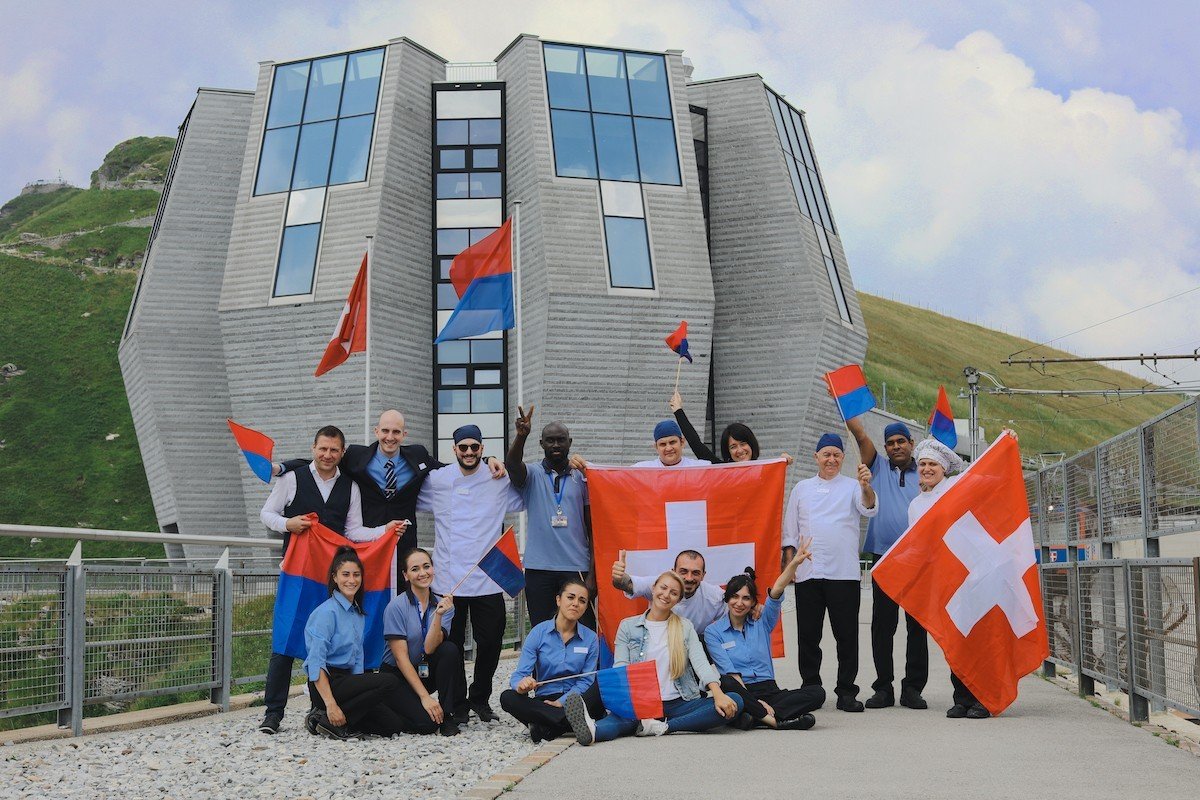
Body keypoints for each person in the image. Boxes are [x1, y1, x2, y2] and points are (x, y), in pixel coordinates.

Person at [258, 424, 408, 735]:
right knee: (286, 638)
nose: (328, 455)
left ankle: (319, 707)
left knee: (329, 638)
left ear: (341, 453)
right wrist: (289, 523)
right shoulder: (291, 478)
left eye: (334, 450)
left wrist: (385, 531)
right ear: (314, 449)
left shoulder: (349, 486)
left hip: (333, 576)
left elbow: (353, 532)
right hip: (299, 572)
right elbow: (266, 514)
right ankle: (273, 714)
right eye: (323, 449)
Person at [276, 409, 505, 588]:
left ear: (403, 435)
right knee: (368, 594)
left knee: (404, 597)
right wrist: (282, 467)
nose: (390, 437)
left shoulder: (418, 455)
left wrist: (486, 461)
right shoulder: (355, 456)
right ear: (377, 432)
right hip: (368, 541)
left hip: (403, 542)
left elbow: (452, 467)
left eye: (396, 432)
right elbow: (318, 461)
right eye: (385, 431)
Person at [417, 423, 525, 724]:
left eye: (474, 447)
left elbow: (526, 489)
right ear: (454, 450)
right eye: (462, 447)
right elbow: (408, 492)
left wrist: (497, 460)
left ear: (481, 448)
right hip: (449, 580)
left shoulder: (497, 477)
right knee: (449, 647)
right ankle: (456, 703)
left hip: (487, 577)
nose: (468, 452)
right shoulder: (437, 479)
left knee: (490, 642)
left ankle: (480, 698)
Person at [561, 571, 743, 745]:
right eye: (663, 588)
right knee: (619, 720)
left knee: (735, 700)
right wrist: (621, 703)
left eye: (673, 593)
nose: (666, 595)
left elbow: (701, 664)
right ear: (653, 588)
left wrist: (718, 694)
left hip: (679, 703)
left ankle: (662, 727)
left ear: (678, 600)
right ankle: (594, 731)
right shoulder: (628, 626)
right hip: (640, 702)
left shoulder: (685, 626)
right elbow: (621, 668)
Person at [782, 433, 877, 712]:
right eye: (826, 454)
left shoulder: (853, 486)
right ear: (817, 458)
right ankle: (811, 687)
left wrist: (866, 486)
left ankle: (847, 691)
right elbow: (790, 533)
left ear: (843, 458)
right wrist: (791, 570)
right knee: (808, 636)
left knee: (846, 636)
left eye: (836, 454)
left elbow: (869, 508)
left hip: (843, 573)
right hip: (808, 573)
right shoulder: (801, 488)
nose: (831, 459)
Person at [845, 416, 929, 710]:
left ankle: (913, 689)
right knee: (883, 625)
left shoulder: (926, 470)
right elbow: (859, 435)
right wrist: (843, 402)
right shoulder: (877, 466)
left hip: (918, 557)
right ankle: (884, 687)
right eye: (891, 443)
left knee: (917, 624)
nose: (896, 447)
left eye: (901, 442)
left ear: (911, 444)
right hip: (884, 556)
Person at [905, 438, 991, 720]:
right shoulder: (916, 505)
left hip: (968, 573)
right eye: (922, 465)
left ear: (943, 469)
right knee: (954, 641)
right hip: (942, 580)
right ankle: (961, 698)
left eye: (932, 464)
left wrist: (1006, 443)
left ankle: (983, 698)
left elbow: (986, 475)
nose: (927, 469)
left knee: (974, 637)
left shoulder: (956, 488)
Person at [707, 540, 826, 730]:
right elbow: (730, 674)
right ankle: (774, 719)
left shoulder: (762, 621)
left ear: (753, 601)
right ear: (727, 599)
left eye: (746, 598)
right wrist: (756, 702)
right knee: (726, 682)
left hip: (770, 689)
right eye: (735, 597)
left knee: (817, 693)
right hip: (741, 690)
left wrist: (794, 563)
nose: (739, 603)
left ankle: (752, 718)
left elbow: (777, 590)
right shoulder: (713, 632)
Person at [303, 546, 420, 739]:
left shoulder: (358, 613)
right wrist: (331, 704)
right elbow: (316, 663)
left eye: (356, 575)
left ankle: (340, 720)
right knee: (389, 681)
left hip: (347, 683)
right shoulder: (326, 613)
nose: (351, 580)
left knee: (392, 726)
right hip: (327, 684)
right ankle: (325, 715)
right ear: (334, 577)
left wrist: (361, 688)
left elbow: (357, 659)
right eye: (345, 574)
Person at [504, 405, 595, 629]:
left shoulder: (582, 477)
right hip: (539, 569)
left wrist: (592, 574)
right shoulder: (533, 474)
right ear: (541, 443)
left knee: (581, 628)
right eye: (550, 440)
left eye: (561, 440)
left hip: (576, 567)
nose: (555, 445)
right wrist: (521, 436)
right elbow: (513, 466)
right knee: (543, 630)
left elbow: (593, 529)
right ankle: (543, 666)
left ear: (570, 442)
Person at [500, 577, 605, 742]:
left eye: (582, 600)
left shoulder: (591, 638)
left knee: (599, 685)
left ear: (585, 607)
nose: (576, 603)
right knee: (508, 697)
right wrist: (521, 686)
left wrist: (562, 703)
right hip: (545, 700)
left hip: (576, 699)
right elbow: (519, 675)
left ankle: (544, 727)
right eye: (570, 597)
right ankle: (567, 723)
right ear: (558, 600)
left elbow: (586, 681)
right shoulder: (538, 633)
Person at [379, 547, 463, 736]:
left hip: (424, 669)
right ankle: (384, 708)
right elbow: (401, 659)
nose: (422, 573)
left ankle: (448, 714)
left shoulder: (445, 605)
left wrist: (439, 615)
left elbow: (429, 647)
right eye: (415, 569)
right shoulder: (396, 607)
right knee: (426, 725)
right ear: (406, 575)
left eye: (426, 566)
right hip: (397, 675)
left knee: (449, 649)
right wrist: (425, 698)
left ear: (433, 569)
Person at [611, 548, 726, 636]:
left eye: (695, 573)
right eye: (683, 571)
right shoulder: (660, 584)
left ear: (703, 575)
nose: (689, 578)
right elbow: (627, 584)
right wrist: (619, 578)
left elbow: (735, 615)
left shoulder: (714, 596)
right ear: (673, 571)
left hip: (693, 644)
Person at [668, 390, 792, 465]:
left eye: (743, 443)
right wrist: (678, 411)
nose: (739, 450)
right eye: (733, 446)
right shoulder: (723, 471)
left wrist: (781, 463)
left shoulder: (764, 471)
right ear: (728, 452)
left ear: (751, 445)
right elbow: (697, 445)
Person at [631, 419, 712, 467]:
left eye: (672, 442)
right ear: (656, 447)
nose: (669, 448)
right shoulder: (642, 470)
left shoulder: (701, 468)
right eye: (663, 444)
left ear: (682, 442)